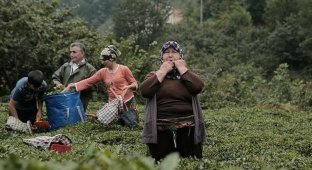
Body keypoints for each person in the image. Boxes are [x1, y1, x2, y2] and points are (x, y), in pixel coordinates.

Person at [140, 41, 205, 161]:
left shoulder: (186, 75)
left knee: (191, 161)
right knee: (161, 162)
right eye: (166, 52)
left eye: (174, 52)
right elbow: (144, 91)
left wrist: (182, 69)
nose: (170, 55)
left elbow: (198, 87)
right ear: (161, 57)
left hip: (188, 128)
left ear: (180, 56)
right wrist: (163, 72)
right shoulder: (154, 75)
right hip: (160, 128)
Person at [63, 45, 138, 125]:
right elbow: (89, 81)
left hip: (127, 101)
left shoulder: (124, 69)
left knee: (130, 123)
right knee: (108, 123)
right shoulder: (103, 72)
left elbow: (135, 84)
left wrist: (128, 87)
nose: (102, 62)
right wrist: (73, 85)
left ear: (111, 59)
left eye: (104, 60)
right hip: (113, 103)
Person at [52, 42, 96, 111]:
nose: (71, 54)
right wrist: (59, 85)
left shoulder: (90, 69)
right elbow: (55, 77)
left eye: (74, 52)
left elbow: (94, 86)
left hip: (79, 103)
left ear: (82, 53)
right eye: (70, 52)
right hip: (64, 101)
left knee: (77, 120)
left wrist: (78, 87)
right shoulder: (66, 66)